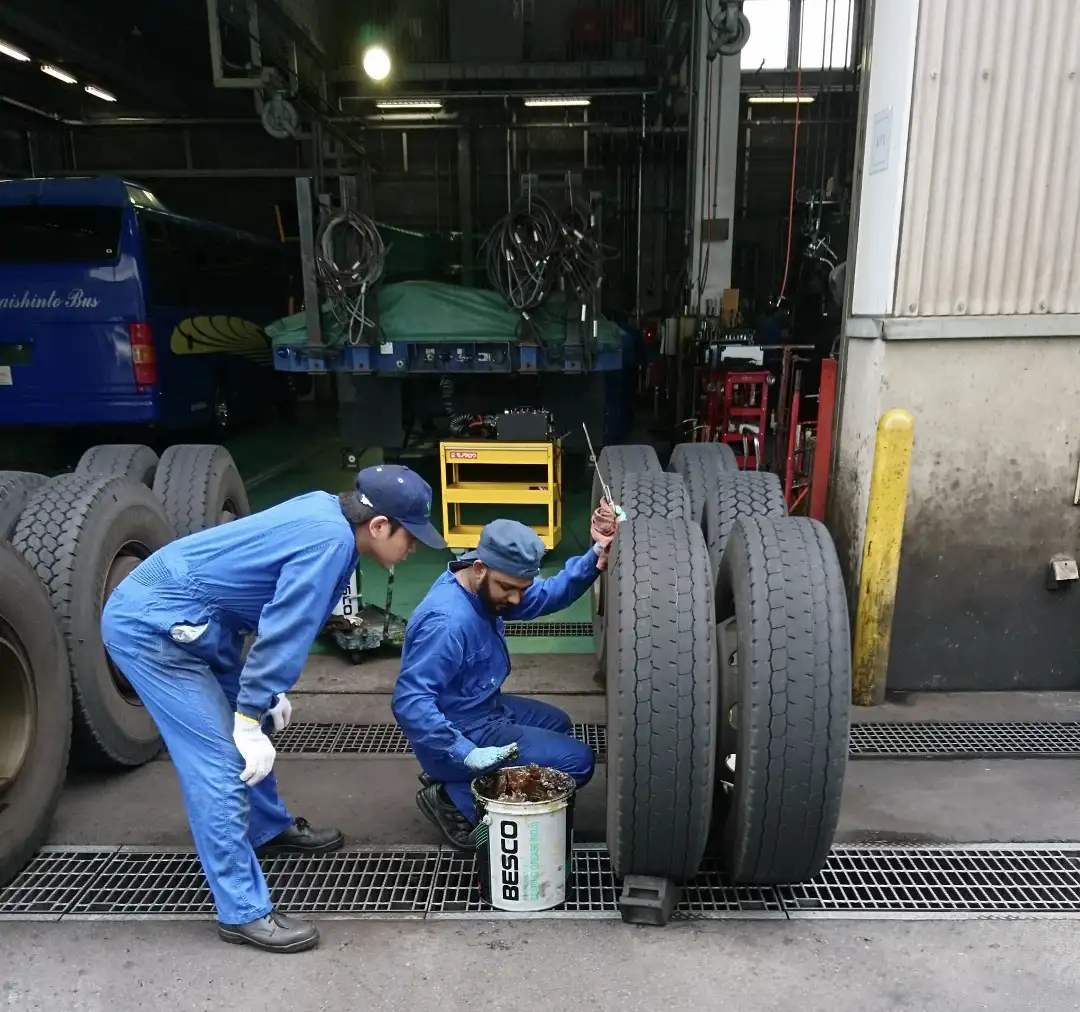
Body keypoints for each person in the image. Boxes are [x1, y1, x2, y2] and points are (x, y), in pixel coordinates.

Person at [101, 464, 445, 953]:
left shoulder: (334, 521)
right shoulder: (330, 541)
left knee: (253, 717)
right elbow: (284, 626)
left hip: (203, 621)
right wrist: (247, 716)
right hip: (155, 627)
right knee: (221, 762)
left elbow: (273, 603)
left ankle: (264, 827)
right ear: (379, 525)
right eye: (410, 537)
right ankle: (240, 911)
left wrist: (261, 697)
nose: (412, 550)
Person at [392, 504, 620, 849]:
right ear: (480, 568)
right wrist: (463, 750)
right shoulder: (448, 623)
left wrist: (596, 553)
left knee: (558, 723)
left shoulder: (482, 585)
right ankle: (457, 799)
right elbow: (410, 703)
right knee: (578, 761)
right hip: (458, 727)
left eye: (521, 588)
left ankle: (463, 778)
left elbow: (545, 595)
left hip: (481, 706)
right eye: (509, 588)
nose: (515, 599)